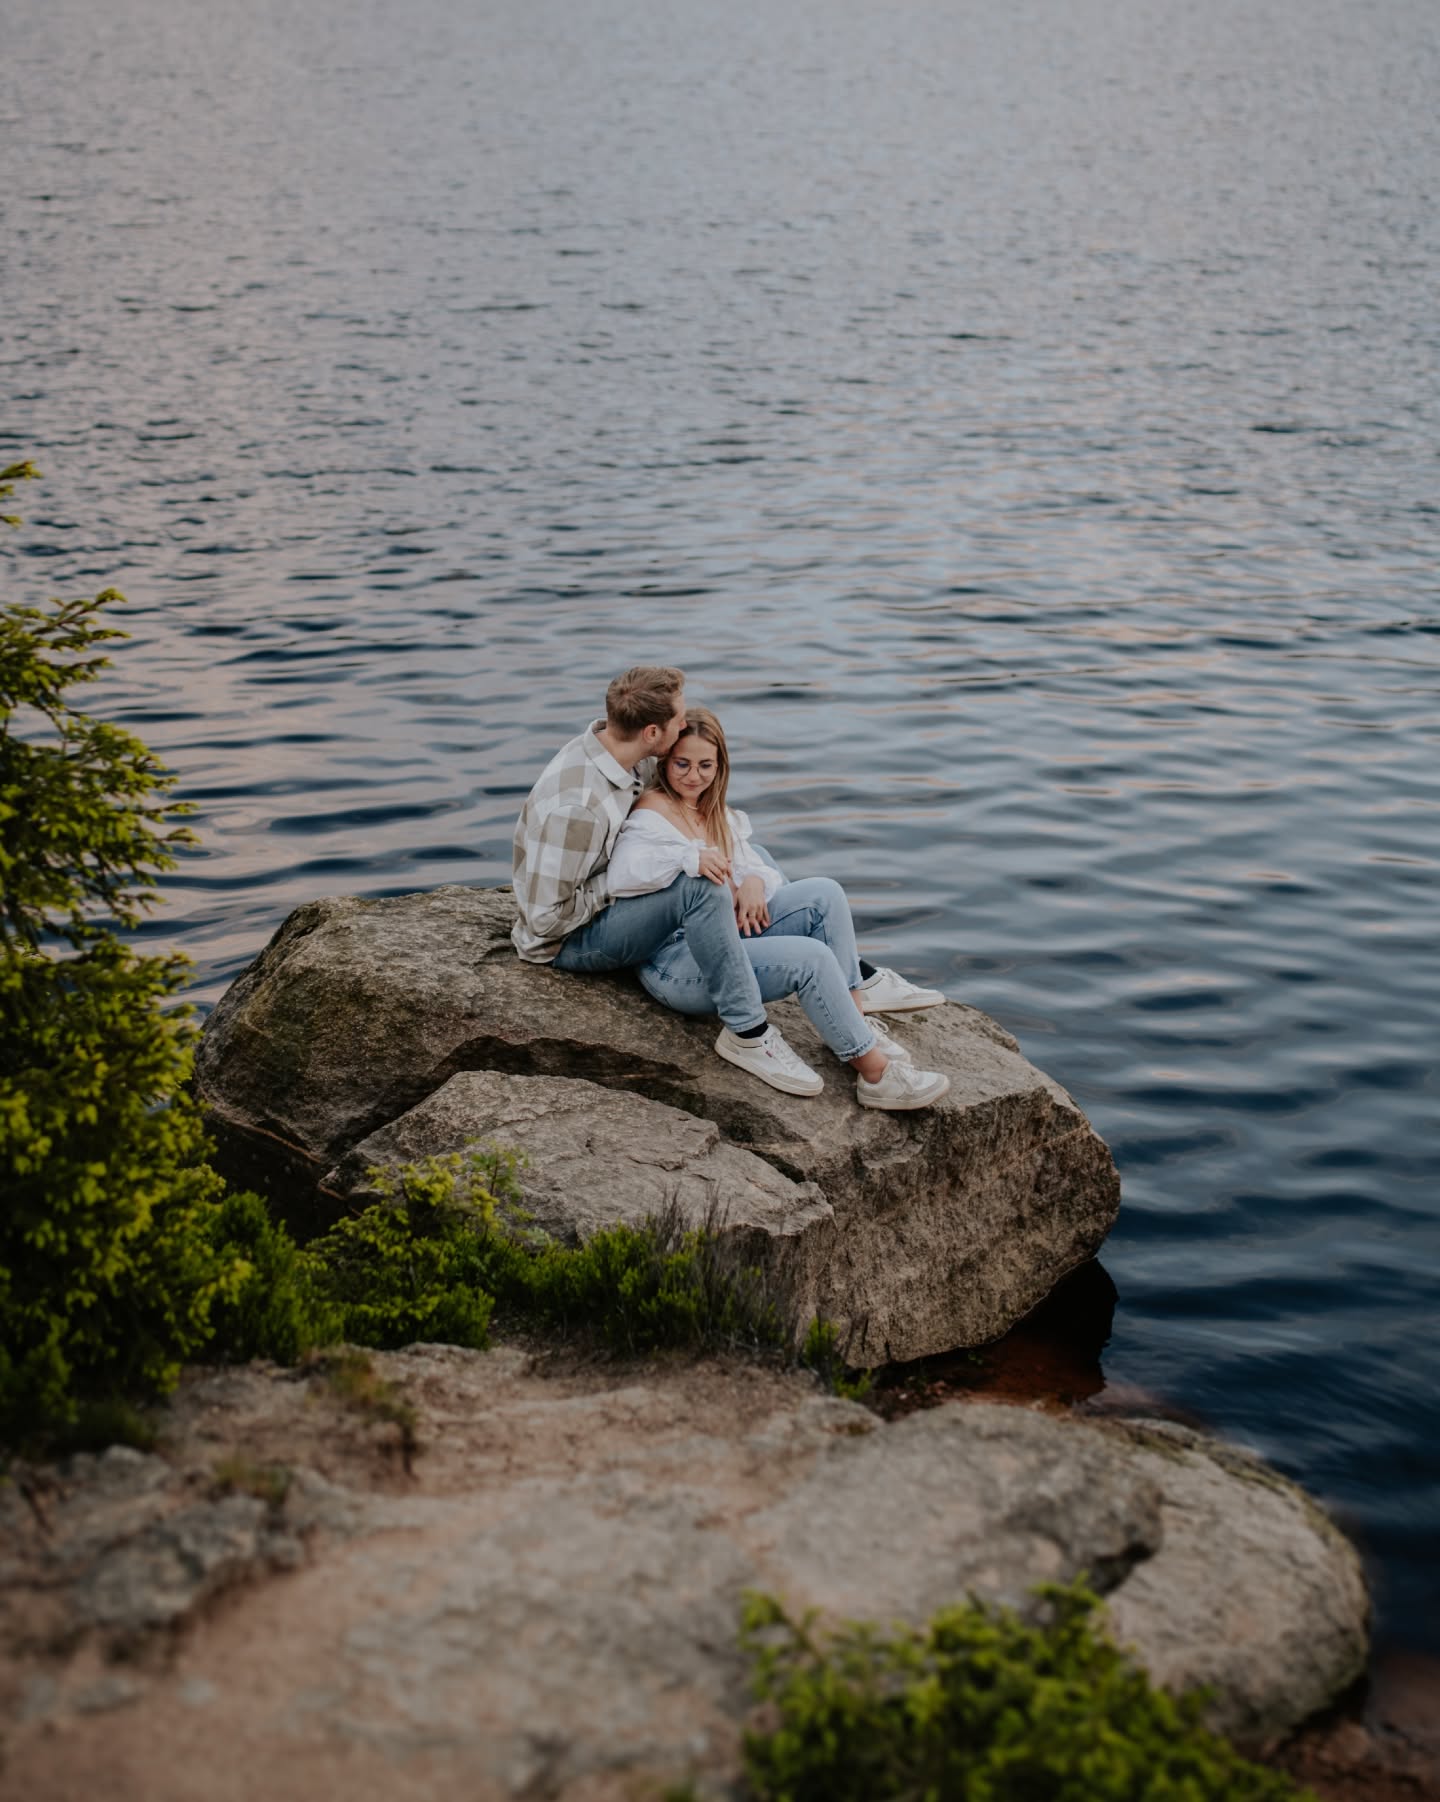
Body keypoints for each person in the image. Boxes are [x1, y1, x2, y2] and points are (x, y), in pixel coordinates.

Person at [601, 706, 951, 1110]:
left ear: (720, 765)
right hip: (677, 961)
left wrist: (752, 880)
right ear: (665, 762)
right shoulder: (652, 811)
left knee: (824, 894)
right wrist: (688, 859)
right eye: (682, 763)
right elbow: (623, 875)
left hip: (723, 934)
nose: (693, 776)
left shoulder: (713, 811)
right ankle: (876, 1075)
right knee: (811, 958)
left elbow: (754, 863)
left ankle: (855, 1020)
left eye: (705, 765)